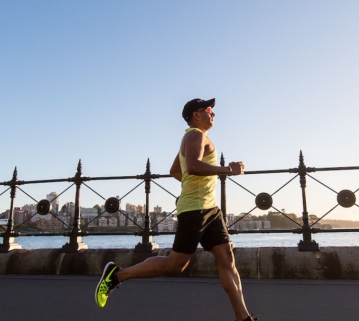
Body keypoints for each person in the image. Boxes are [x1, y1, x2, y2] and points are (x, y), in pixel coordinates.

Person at [95, 98, 256, 321]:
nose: (213, 113)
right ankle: (117, 275)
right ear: (196, 114)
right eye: (209, 109)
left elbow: (175, 170)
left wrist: (193, 186)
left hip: (210, 208)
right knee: (175, 264)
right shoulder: (195, 135)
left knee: (227, 258)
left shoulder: (197, 137)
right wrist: (228, 169)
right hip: (195, 210)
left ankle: (243, 318)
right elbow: (190, 166)